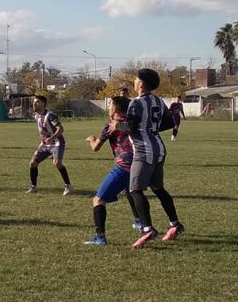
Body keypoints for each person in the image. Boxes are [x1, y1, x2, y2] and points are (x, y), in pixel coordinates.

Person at [125, 68, 184, 247]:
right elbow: (168, 122)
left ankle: (147, 228)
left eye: (136, 79)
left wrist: (115, 126)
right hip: (159, 148)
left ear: (141, 83)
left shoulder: (135, 103)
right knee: (158, 187)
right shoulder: (159, 100)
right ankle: (175, 224)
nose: (134, 82)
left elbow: (131, 128)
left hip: (144, 151)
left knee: (134, 190)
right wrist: (151, 128)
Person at [83, 96, 140, 245]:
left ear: (114, 109)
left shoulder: (110, 125)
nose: (108, 108)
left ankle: (100, 238)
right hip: (139, 166)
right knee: (132, 193)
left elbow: (96, 147)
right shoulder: (132, 123)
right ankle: (141, 222)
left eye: (110, 106)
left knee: (98, 200)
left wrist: (92, 138)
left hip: (124, 168)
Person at [26, 95, 73, 195]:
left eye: (37, 102)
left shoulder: (50, 115)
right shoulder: (36, 116)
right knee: (33, 163)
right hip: (45, 144)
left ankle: (68, 186)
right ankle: (33, 187)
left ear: (43, 104)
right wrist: (42, 143)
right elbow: (42, 132)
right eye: (34, 102)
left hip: (57, 143)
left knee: (57, 163)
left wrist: (50, 138)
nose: (34, 104)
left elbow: (60, 129)